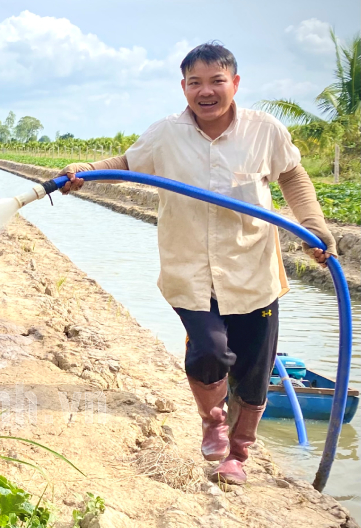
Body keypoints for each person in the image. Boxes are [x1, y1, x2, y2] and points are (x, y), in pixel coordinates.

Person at [58, 42, 336, 485]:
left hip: (253, 272)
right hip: (189, 270)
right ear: (183, 87)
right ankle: (213, 421)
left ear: (235, 83)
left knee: (253, 373)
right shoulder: (166, 133)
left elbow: (292, 176)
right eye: (195, 83)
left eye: (216, 81)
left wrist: (313, 226)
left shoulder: (265, 130)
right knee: (208, 351)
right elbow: (128, 164)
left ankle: (239, 456)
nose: (205, 91)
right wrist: (84, 171)